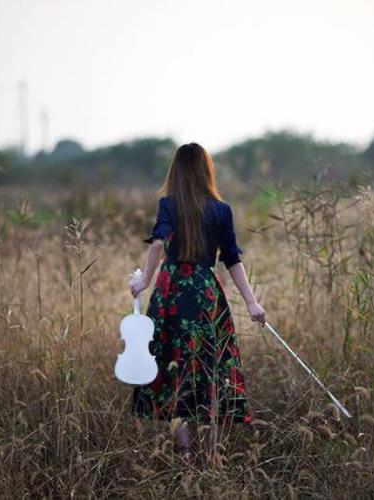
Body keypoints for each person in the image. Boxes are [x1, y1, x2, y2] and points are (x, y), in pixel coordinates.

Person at [129, 142, 266, 465]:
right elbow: (232, 259)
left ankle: (186, 456)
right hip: (205, 294)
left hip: (172, 293)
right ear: (207, 171)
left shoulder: (168, 205)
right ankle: (207, 458)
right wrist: (251, 303)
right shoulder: (221, 209)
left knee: (174, 368)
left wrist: (144, 281)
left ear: (175, 170)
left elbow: (158, 245)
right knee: (209, 373)